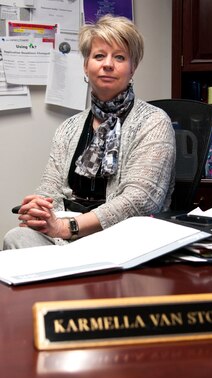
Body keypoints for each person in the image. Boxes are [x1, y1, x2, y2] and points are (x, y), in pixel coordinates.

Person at [3, 14, 176, 250]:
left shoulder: (153, 122)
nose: (107, 64)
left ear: (132, 68)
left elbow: (140, 201)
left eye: (120, 57)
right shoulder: (69, 127)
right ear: (86, 65)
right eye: (99, 56)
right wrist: (40, 214)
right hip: (66, 235)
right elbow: (49, 190)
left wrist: (69, 227)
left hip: (123, 237)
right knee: (17, 237)